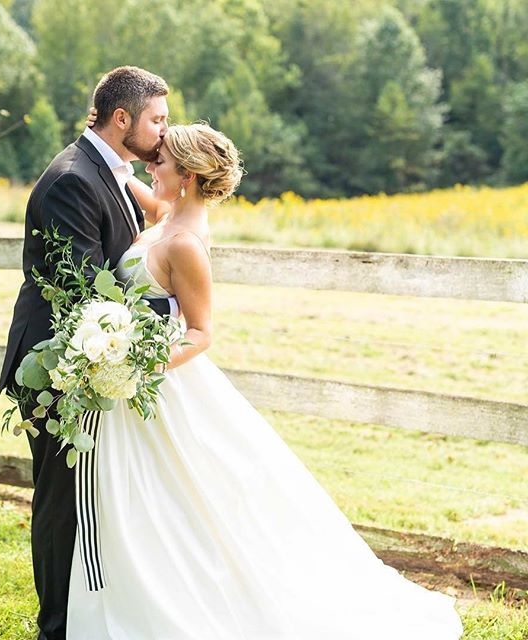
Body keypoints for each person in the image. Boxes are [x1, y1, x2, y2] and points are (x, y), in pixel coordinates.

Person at [64, 121, 464, 639]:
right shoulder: (167, 214)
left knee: (182, 497)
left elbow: (202, 332)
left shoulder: (185, 241)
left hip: (158, 384)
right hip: (136, 381)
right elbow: (118, 181)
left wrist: (134, 368)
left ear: (185, 175)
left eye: (158, 161)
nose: (148, 165)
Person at [0, 66, 179, 640]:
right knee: (60, 501)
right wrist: (178, 316)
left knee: (90, 499)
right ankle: (56, 627)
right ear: (121, 118)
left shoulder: (115, 173)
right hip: (54, 367)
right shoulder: (74, 178)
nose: (163, 132)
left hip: (85, 361)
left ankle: (86, 616)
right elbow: (87, 291)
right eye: (157, 120)